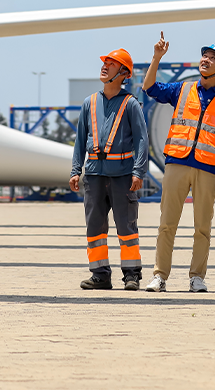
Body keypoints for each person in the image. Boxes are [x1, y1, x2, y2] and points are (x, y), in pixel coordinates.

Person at [141, 32, 215, 293]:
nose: (206, 60)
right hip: (177, 163)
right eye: (204, 55)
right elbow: (149, 88)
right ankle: (160, 276)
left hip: (209, 169)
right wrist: (156, 57)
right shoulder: (182, 89)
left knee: (202, 228)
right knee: (167, 223)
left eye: (213, 58)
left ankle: (197, 277)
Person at [70, 48, 149, 291]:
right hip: (94, 175)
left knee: (126, 227)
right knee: (94, 227)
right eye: (105, 63)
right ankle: (100, 275)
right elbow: (80, 139)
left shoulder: (131, 104)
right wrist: (76, 170)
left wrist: (138, 172)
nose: (105, 67)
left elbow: (142, 140)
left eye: (112, 64)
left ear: (124, 73)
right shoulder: (89, 103)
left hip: (123, 175)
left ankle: (132, 275)